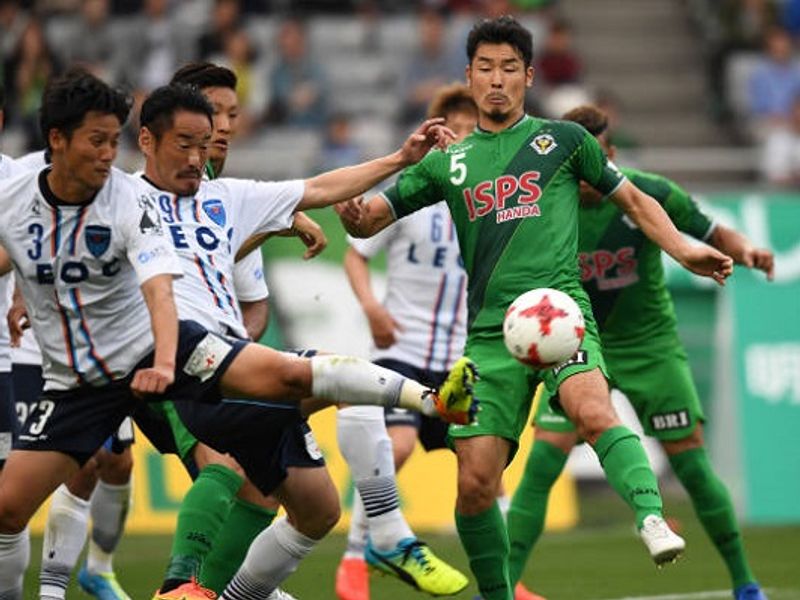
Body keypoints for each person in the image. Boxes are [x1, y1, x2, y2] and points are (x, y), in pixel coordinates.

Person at [0, 68, 475, 599]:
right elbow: (79, 252)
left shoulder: (227, 197)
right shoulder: (119, 195)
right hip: (157, 360)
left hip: (205, 354)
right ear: (150, 140)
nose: (199, 155)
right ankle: (179, 583)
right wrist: (27, 286)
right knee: (248, 432)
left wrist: (400, 160)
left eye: (212, 136)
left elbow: (318, 190)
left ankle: (225, 593)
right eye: (190, 141)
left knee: (317, 507)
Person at [337, 16, 735, 600]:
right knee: (474, 483)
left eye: (508, 68)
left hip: (560, 311)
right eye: (484, 68)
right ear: (469, 76)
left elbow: (633, 197)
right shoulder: (448, 163)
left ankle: (649, 517)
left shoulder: (564, 142)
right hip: (491, 336)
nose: (496, 80)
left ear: (527, 75)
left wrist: (683, 248)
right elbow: (367, 218)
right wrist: (381, 178)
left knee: (592, 410)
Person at [508, 105, 772, 600]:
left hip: (649, 346)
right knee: (543, 463)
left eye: (597, 159)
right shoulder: (541, 204)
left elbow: (713, 232)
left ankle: (745, 583)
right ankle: (498, 588)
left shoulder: (647, 192)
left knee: (692, 467)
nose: (586, 175)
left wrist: (748, 250)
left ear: (609, 154)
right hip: (577, 346)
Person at [335, 84, 479, 600]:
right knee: (394, 448)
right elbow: (356, 254)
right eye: (453, 127)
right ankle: (355, 558)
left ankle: (506, 580)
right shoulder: (409, 191)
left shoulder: (487, 197)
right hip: (403, 348)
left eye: (470, 127)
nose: (461, 135)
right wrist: (372, 307)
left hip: (460, 357)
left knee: (485, 465)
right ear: (437, 131)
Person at [5, 140, 136, 600]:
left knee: (113, 460)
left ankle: (89, 573)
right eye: (97, 137)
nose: (105, 149)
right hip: (33, 354)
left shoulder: (109, 188)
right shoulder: (20, 184)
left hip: (100, 354)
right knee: (18, 491)